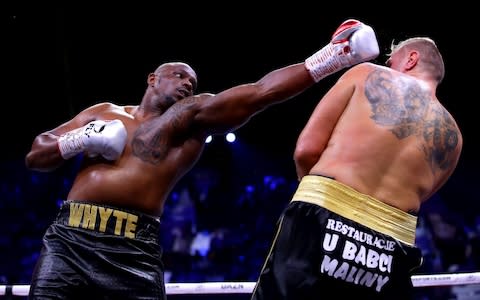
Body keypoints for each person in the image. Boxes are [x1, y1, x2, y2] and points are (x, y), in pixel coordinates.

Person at [24, 19, 379, 299]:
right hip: (69, 241)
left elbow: (259, 93)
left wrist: (333, 58)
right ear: (153, 79)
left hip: (133, 251)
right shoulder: (104, 112)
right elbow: (36, 154)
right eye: (179, 76)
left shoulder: (189, 119)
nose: (187, 85)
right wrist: (77, 140)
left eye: (192, 82)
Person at [250, 36, 463, 300]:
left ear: (411, 59)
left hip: (320, 217)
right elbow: (420, 199)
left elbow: (306, 151)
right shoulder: (454, 137)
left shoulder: (365, 74)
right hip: (389, 247)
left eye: (391, 61)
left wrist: (318, 196)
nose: (387, 66)